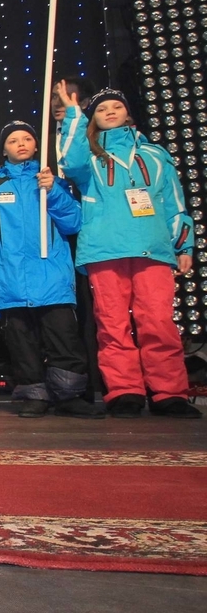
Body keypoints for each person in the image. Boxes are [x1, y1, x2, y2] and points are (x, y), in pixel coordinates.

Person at [57, 84, 200, 419]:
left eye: (116, 107)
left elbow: (174, 202)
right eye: (101, 109)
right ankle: (124, 391)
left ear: (127, 113)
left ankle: (169, 393)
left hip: (152, 247)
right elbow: (69, 159)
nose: (109, 112)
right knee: (112, 323)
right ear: (93, 117)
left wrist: (183, 244)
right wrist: (74, 114)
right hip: (104, 249)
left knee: (158, 322)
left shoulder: (155, 155)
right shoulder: (90, 158)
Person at [0, 121, 101, 418]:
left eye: (26, 139)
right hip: (8, 276)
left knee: (62, 336)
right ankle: (34, 394)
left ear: (36, 145)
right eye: (13, 140)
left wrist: (54, 192)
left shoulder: (53, 182)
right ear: (4, 150)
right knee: (21, 340)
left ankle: (69, 395)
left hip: (51, 274)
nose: (21, 144)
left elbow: (73, 222)